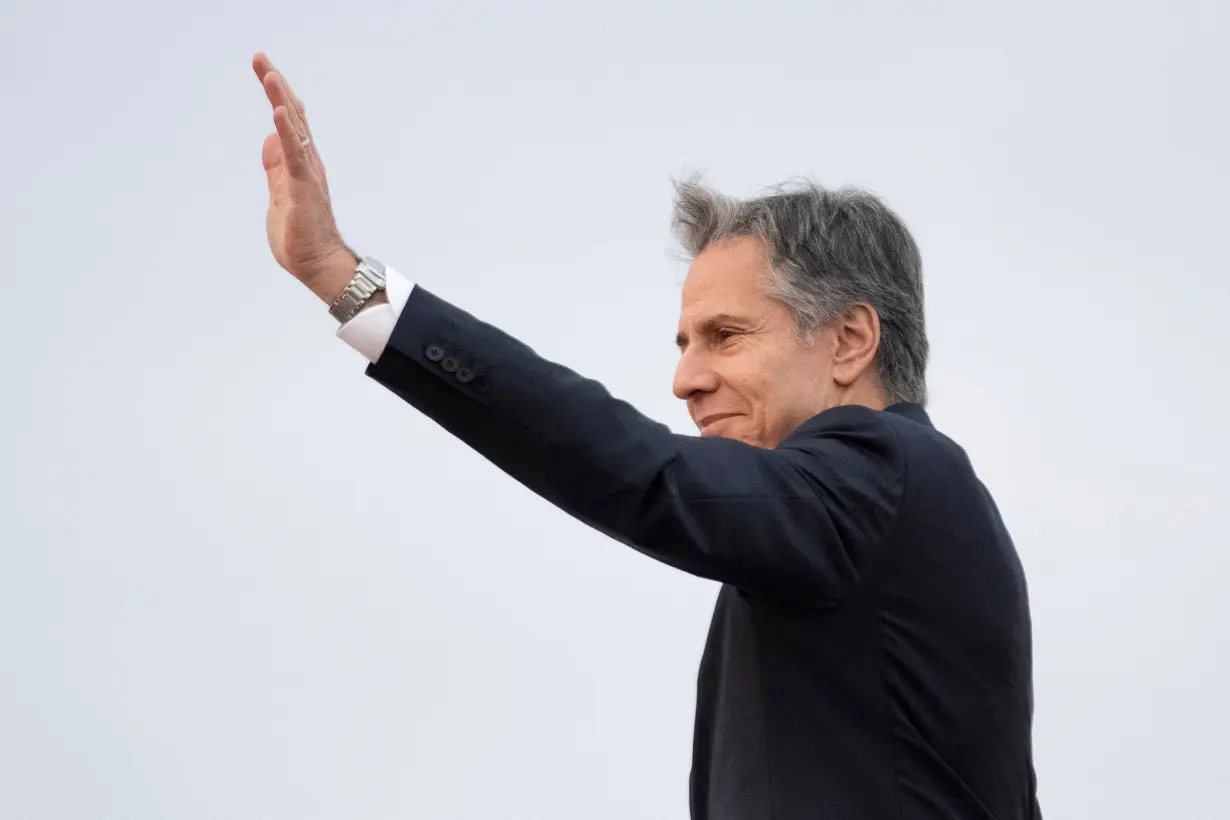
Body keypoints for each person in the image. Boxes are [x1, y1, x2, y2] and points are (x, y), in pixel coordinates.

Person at [251, 53, 1042, 820]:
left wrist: (344, 280)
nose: (686, 380)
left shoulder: (884, 473)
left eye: (726, 336)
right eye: (684, 343)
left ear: (848, 341)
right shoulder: (902, 523)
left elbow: (650, 475)